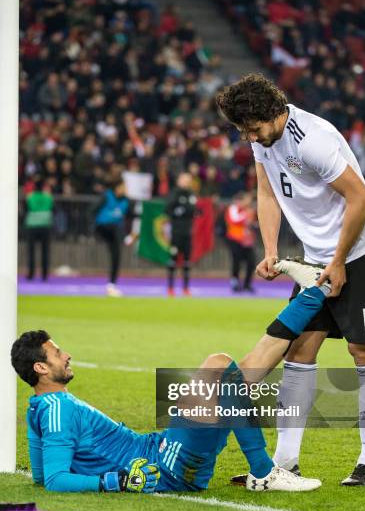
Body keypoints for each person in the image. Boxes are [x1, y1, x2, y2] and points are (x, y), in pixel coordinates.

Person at [11, 259, 331, 494]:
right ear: (40, 368)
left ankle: (314, 290)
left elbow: (40, 474)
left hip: (161, 448)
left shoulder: (38, 408)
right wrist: (113, 481)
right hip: (165, 466)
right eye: (56, 353)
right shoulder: (53, 408)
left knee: (238, 376)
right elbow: (53, 480)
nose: (66, 355)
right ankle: (263, 472)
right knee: (221, 366)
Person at [216, 73, 365, 486]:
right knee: (298, 350)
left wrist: (339, 259)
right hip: (315, 259)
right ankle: (285, 462)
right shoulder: (265, 142)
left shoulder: (312, 139)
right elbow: (266, 192)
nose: (250, 139)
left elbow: (362, 199)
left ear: (273, 114)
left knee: (363, 351)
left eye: (254, 130)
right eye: (243, 132)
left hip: (361, 251)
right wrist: (271, 249)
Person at [95, 179, 130, 297]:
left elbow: (129, 216)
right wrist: (92, 227)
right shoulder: (106, 196)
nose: (126, 190)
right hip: (103, 227)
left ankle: (112, 285)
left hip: (115, 230)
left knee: (116, 254)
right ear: (117, 188)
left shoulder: (126, 201)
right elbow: (92, 210)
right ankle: (125, 238)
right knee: (114, 229)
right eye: (124, 187)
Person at [165, 172, 197, 297]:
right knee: (173, 260)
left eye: (188, 180)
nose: (187, 182)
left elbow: (193, 210)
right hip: (176, 232)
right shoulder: (174, 193)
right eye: (184, 180)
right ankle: (170, 288)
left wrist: (183, 210)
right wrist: (181, 211)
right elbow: (168, 209)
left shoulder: (190, 194)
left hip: (187, 232)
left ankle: (186, 288)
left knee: (187, 261)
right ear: (179, 180)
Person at [225, 192, 257, 293]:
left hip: (247, 240)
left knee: (251, 262)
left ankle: (247, 284)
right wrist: (246, 215)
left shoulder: (249, 210)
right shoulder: (233, 208)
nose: (249, 202)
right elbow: (234, 220)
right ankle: (235, 283)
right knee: (236, 261)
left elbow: (252, 223)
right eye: (246, 200)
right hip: (235, 239)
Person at [24, 180, 54, 281]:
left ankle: (30, 274)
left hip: (32, 226)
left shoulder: (30, 197)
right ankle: (44, 275)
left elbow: (27, 208)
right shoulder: (48, 197)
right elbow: (52, 208)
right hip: (45, 226)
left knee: (31, 252)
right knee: (45, 252)